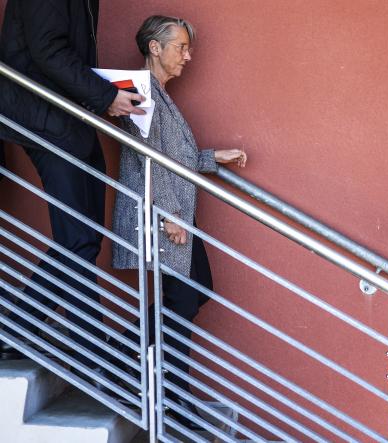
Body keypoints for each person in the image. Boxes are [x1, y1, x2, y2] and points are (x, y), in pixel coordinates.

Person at [111, 15, 247, 424]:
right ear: (155, 47)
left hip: (170, 214)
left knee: (189, 295)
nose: (187, 56)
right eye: (180, 47)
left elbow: (171, 156)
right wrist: (170, 215)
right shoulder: (139, 91)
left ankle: (125, 361)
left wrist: (210, 157)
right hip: (161, 215)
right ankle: (168, 395)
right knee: (186, 297)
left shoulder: (159, 93)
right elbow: (146, 156)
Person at [0, 0, 145, 373]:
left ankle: (16, 328)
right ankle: (90, 350)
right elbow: (48, 50)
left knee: (83, 237)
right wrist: (106, 96)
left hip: (72, 119)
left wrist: (103, 95)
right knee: (78, 238)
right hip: (44, 119)